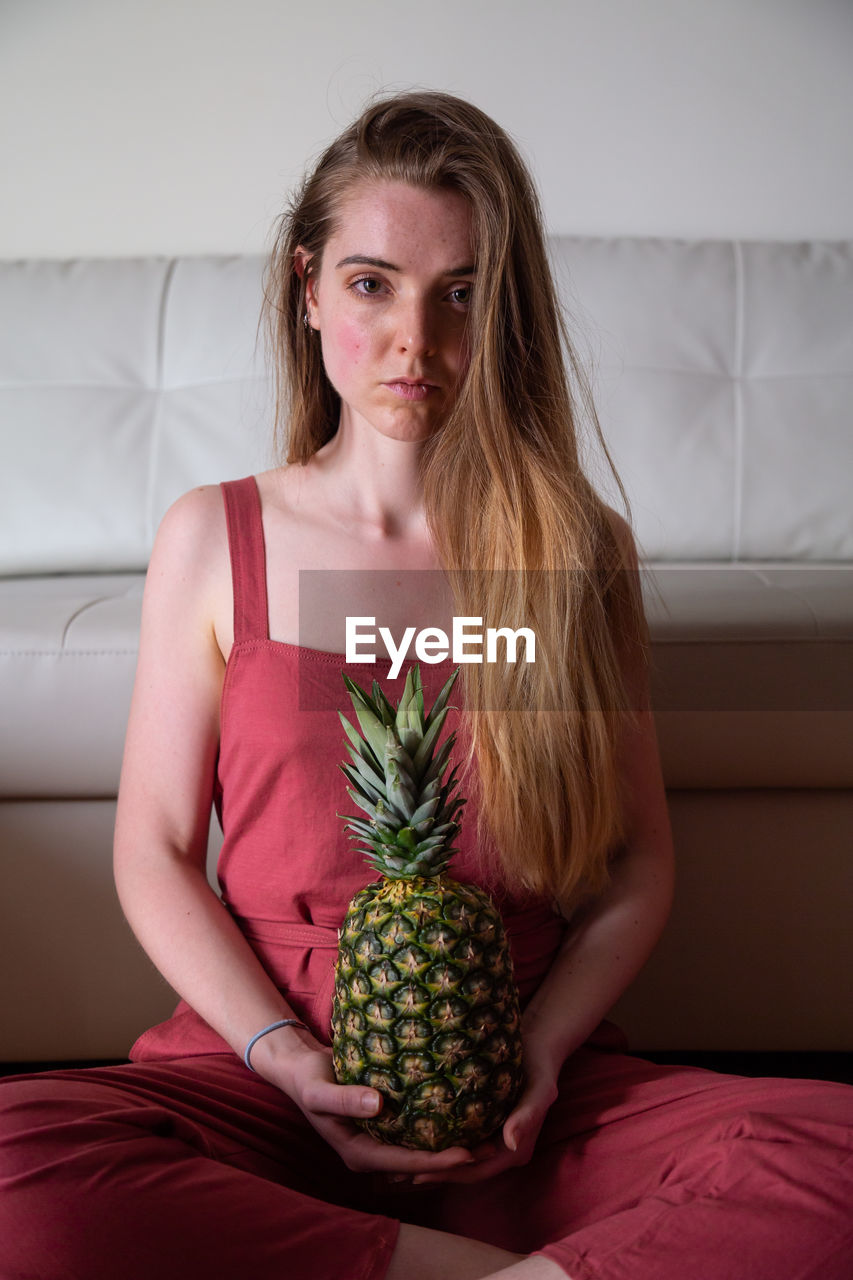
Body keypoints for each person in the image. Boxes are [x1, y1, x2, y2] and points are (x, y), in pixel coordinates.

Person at [1, 90, 851, 1280]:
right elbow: (150, 846)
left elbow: (635, 865)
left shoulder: (573, 549)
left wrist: (540, 1054)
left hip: (521, 1087)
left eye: (460, 292)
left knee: (836, 1159)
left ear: (503, 312)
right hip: (265, 1078)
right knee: (12, 1170)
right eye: (371, 283)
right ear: (306, 289)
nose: (416, 339)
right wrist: (282, 1056)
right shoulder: (215, 535)